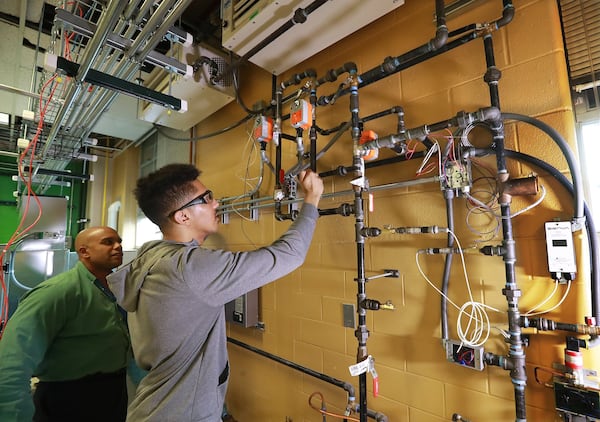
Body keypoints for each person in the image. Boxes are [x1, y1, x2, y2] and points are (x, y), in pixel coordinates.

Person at [107, 163, 323, 421]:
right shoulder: (188, 268)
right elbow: (288, 255)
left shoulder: (153, 258)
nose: (216, 203)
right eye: (206, 198)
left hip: (156, 407)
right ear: (182, 216)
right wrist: (311, 199)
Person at [0, 226, 130, 422]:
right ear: (84, 252)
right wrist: (14, 416)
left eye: (119, 241)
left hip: (112, 396)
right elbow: (13, 362)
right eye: (108, 242)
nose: (118, 246)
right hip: (67, 401)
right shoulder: (56, 293)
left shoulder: (115, 291)